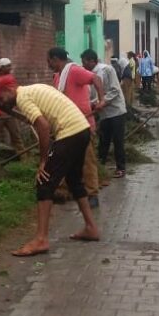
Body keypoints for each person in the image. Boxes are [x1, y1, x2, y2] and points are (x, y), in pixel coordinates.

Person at [0, 79, 100, 257]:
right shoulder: (33, 88)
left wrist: (43, 161)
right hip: (82, 130)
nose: (1, 103)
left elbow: (43, 126)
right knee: (74, 180)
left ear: (9, 89)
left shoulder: (23, 98)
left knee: (44, 182)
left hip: (69, 132)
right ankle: (91, 227)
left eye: (1, 97)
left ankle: (41, 239)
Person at [47, 48, 105, 207]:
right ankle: (65, 191)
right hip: (65, 126)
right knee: (64, 160)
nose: (48, 64)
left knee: (87, 161)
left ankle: (92, 194)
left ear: (55, 59)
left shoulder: (73, 71)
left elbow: (96, 78)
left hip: (82, 125)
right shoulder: (59, 76)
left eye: (49, 61)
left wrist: (102, 99)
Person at [81, 50, 127, 178]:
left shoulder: (107, 70)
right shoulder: (89, 75)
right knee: (103, 140)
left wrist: (103, 101)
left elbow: (115, 90)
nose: (83, 65)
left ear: (92, 61)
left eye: (84, 62)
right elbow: (93, 95)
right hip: (104, 113)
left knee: (118, 141)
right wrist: (92, 104)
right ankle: (100, 167)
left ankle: (121, 168)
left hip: (116, 111)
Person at [0, 58, 25, 156]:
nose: (10, 68)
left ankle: (23, 155)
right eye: (8, 66)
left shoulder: (9, 78)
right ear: (2, 67)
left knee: (16, 136)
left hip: (9, 112)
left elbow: (11, 93)